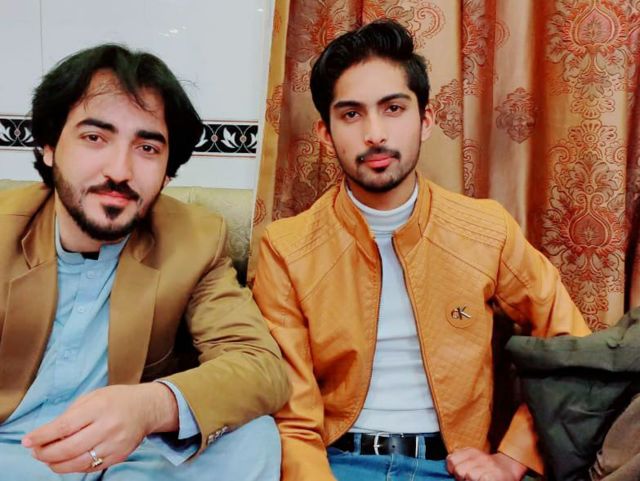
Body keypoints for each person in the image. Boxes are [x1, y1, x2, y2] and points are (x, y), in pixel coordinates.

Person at [252, 19, 590, 481]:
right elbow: (291, 415)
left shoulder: (485, 229)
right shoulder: (287, 248)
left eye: (393, 108)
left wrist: (513, 457)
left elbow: (571, 343)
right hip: (336, 464)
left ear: (426, 120)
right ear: (326, 134)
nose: (375, 133)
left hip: (453, 467)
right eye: (351, 114)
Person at [0, 44, 289, 480]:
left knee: (253, 436)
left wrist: (152, 406)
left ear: (168, 172)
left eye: (147, 148)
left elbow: (259, 365)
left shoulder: (195, 238)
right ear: (49, 147)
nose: (120, 170)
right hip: (12, 452)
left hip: (130, 456)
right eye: (95, 138)